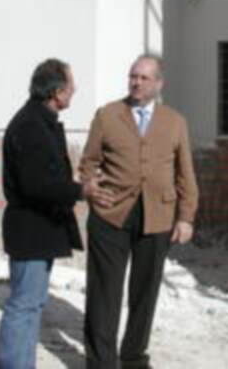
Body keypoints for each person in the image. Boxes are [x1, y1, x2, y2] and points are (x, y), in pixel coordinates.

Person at [80, 54, 199, 369]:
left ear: (159, 83)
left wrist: (185, 217)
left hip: (157, 216)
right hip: (110, 214)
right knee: (104, 292)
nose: (136, 82)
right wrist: (92, 189)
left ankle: (133, 358)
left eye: (144, 78)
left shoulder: (175, 121)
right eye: (133, 76)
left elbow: (185, 173)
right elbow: (88, 161)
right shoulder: (107, 115)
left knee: (145, 293)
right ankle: (100, 362)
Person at [0, 58, 111, 369]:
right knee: (24, 305)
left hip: (39, 229)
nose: (75, 90)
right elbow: (36, 185)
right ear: (57, 91)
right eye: (71, 85)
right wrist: (81, 191)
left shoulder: (40, 121)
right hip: (31, 229)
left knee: (31, 304)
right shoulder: (30, 126)